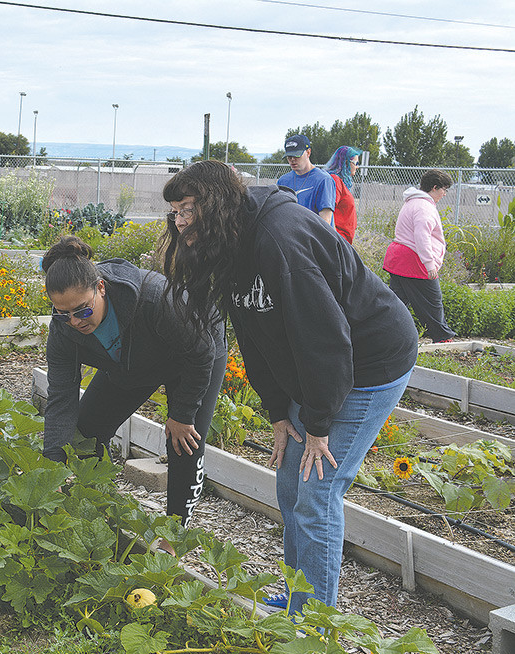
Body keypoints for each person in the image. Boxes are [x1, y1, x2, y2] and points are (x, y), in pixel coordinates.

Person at [161, 161, 418, 613]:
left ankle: (314, 621)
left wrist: (317, 425)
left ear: (215, 204)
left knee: (317, 492)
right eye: (175, 211)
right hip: (319, 365)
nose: (180, 222)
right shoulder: (232, 240)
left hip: (369, 362)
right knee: (289, 484)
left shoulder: (280, 239)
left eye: (187, 209)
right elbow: (254, 334)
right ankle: (299, 597)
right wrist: (279, 412)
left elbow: (325, 339)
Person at [41, 235, 224, 520]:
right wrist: (52, 469)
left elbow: (201, 353)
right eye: (63, 314)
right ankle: (96, 513)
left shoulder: (155, 298)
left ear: (101, 288)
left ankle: (174, 534)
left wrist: (182, 413)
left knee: (183, 442)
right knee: (87, 432)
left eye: (83, 310)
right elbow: (61, 399)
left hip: (193, 355)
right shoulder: (63, 332)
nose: (75, 321)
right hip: (130, 362)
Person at [382, 169, 457, 343]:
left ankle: (384, 335)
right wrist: (429, 264)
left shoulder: (413, 202)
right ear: (434, 187)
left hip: (399, 258)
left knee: (397, 302)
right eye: (444, 189)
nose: (444, 194)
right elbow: (422, 237)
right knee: (432, 301)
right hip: (414, 260)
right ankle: (442, 337)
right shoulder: (424, 207)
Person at [277, 134, 335, 227]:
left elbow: (325, 221)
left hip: (314, 234)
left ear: (308, 152)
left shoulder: (323, 180)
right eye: (289, 156)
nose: (292, 160)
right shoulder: (283, 181)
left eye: (297, 155)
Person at [325, 145, 363, 243]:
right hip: (337, 240)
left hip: (343, 241)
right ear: (346, 163)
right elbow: (328, 211)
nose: (357, 167)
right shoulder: (335, 180)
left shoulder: (341, 182)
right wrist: (335, 240)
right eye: (356, 163)